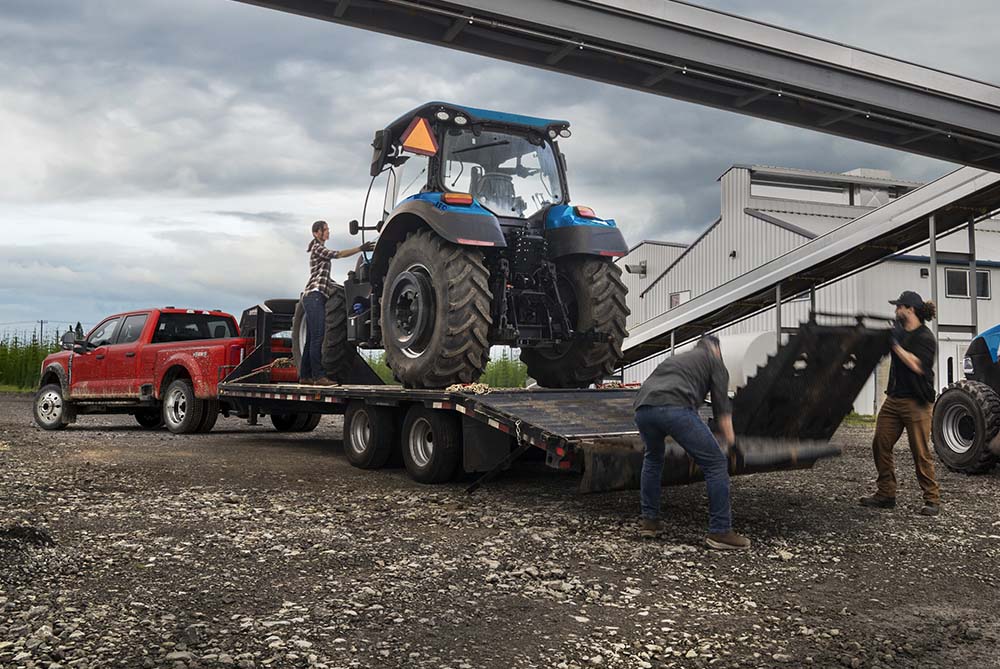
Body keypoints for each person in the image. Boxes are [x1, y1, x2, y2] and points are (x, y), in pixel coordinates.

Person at [633, 335, 750, 550]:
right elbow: (722, 409)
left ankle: (649, 522)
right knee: (715, 464)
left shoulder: (676, 359)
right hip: (675, 408)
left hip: (643, 408)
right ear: (716, 350)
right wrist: (732, 444)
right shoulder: (715, 362)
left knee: (653, 459)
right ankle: (720, 531)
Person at [860, 290, 942, 516]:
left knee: (920, 452)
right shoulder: (899, 333)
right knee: (880, 443)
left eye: (898, 307)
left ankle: (932, 499)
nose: (895, 311)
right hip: (894, 399)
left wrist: (895, 345)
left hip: (917, 403)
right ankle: (886, 494)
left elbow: (916, 365)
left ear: (910, 309)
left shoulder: (925, 338)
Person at [301, 220, 374, 385]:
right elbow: (338, 254)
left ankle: (305, 376)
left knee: (311, 338)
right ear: (316, 232)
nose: (328, 232)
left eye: (328, 229)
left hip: (315, 296)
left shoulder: (318, 248)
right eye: (325, 230)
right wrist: (360, 249)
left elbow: (322, 274)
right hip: (314, 295)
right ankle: (319, 376)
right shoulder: (318, 248)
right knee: (318, 337)